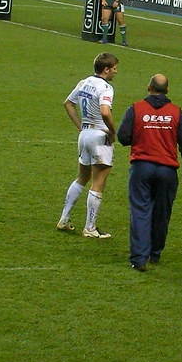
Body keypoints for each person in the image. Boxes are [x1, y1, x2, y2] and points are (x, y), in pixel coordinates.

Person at [117, 74, 182, 270]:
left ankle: (139, 259)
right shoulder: (176, 112)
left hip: (141, 168)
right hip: (167, 170)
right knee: (162, 213)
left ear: (148, 87)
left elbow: (123, 137)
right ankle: (155, 253)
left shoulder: (135, 109)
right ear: (167, 90)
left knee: (140, 211)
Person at [57, 52, 119, 238]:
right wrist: (112, 131)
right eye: (114, 68)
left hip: (84, 134)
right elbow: (105, 112)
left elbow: (68, 103)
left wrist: (80, 127)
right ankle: (90, 227)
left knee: (81, 177)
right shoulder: (106, 88)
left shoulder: (84, 82)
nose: (116, 72)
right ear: (106, 69)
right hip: (100, 136)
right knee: (98, 182)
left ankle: (64, 219)